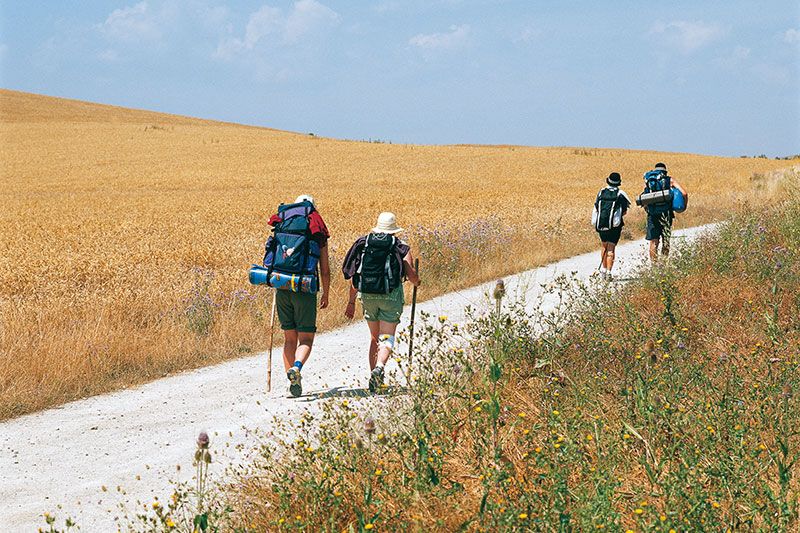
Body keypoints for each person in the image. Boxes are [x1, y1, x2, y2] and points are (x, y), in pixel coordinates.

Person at [342, 212, 421, 392]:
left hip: (367, 295)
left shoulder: (364, 245)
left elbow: (355, 274)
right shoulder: (401, 247)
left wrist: (351, 302)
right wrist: (417, 282)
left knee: (373, 338)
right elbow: (411, 275)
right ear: (394, 230)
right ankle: (379, 368)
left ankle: (375, 381)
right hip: (390, 296)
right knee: (387, 337)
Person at [266, 194, 330, 397]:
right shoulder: (316, 229)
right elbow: (325, 269)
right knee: (306, 339)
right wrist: (325, 293)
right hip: (305, 288)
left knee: (289, 339)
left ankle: (291, 384)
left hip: (283, 285)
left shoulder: (282, 225)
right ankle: (296, 368)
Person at [642, 163, 688, 261]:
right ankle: (663, 266)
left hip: (652, 214)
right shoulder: (669, 180)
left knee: (653, 242)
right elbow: (684, 193)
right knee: (666, 240)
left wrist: (647, 209)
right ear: (665, 171)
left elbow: (645, 198)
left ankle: (654, 268)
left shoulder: (648, 180)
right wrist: (684, 206)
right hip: (666, 214)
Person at [592, 172, 631, 280]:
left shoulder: (601, 192)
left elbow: (596, 207)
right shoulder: (621, 194)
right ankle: (609, 272)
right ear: (618, 183)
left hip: (601, 224)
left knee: (604, 246)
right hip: (615, 226)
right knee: (611, 249)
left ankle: (603, 271)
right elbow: (624, 212)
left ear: (608, 181)